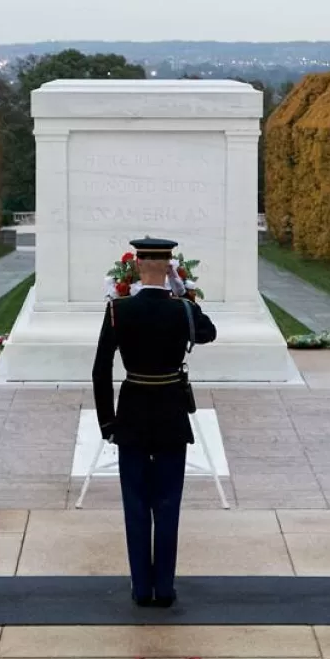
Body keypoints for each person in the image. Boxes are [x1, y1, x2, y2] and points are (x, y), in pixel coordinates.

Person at [92, 237, 216, 607]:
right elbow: (208, 333)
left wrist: (107, 422)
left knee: (135, 504)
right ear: (169, 268)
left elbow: (101, 370)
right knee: (167, 504)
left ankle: (140, 588)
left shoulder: (118, 309)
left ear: (135, 268)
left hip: (130, 416)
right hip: (170, 415)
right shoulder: (182, 310)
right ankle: (164, 588)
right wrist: (187, 294)